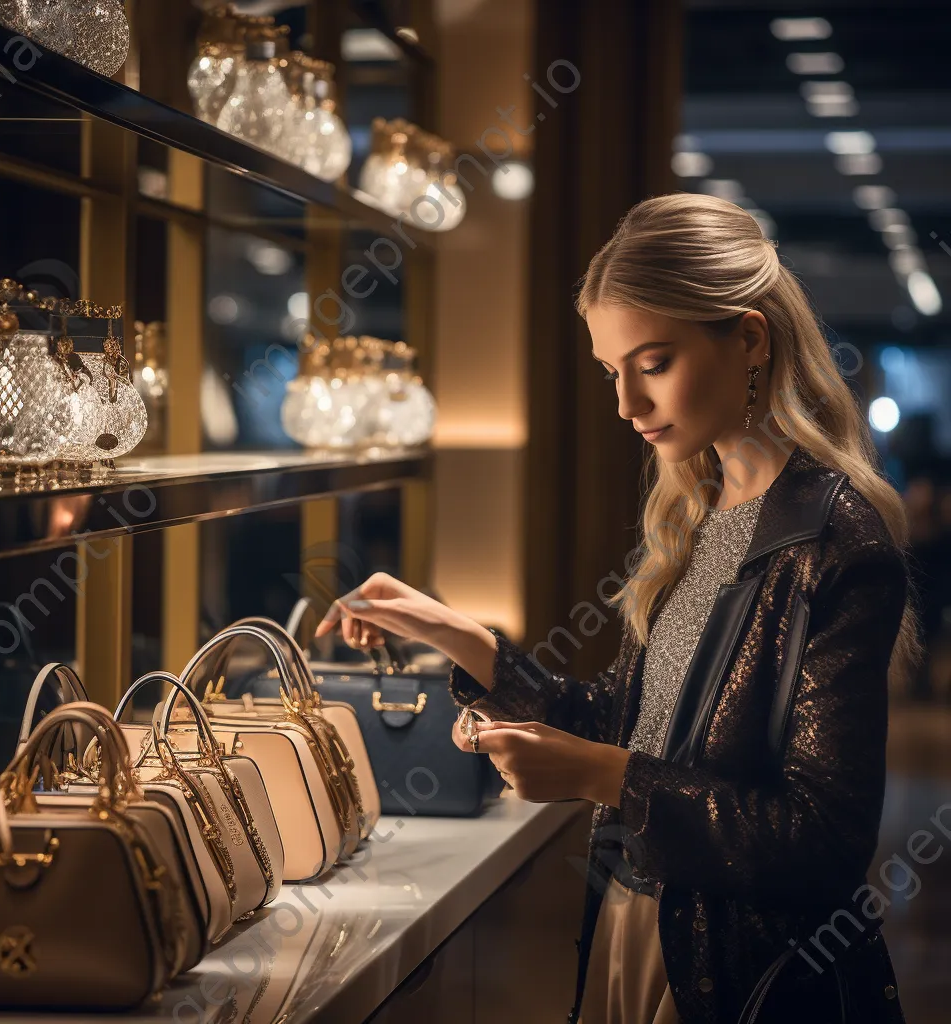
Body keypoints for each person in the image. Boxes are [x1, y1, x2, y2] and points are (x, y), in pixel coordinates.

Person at [316, 193, 915, 1024]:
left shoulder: (836, 544)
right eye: (611, 371)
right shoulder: (700, 513)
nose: (627, 406)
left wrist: (603, 778)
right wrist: (456, 635)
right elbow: (622, 721)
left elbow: (822, 841)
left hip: (743, 973)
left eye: (653, 362)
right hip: (639, 930)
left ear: (748, 338)